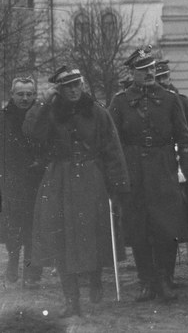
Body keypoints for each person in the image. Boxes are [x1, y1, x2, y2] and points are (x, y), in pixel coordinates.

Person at [25, 67, 130, 318]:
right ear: (58, 90)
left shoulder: (97, 112)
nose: (73, 90)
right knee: (60, 238)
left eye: (77, 85)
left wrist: (118, 185)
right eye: (67, 86)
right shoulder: (49, 112)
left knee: (91, 233)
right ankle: (71, 300)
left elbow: (112, 149)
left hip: (91, 178)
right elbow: (31, 135)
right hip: (58, 179)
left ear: (82, 85)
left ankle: (94, 280)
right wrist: (44, 101)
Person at [108, 46, 188, 303]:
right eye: (142, 69)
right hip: (133, 171)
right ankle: (146, 282)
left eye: (151, 68)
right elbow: (112, 143)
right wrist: (116, 175)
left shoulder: (170, 99)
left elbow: (184, 137)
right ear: (132, 72)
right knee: (138, 227)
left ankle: (165, 279)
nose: (149, 73)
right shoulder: (120, 102)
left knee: (167, 226)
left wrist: (186, 171)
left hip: (163, 168)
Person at [154, 59, 188, 290]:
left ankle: (168, 273)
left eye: (164, 77)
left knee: (175, 222)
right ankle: (154, 273)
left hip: (179, 171)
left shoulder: (183, 103)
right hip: (155, 167)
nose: (162, 83)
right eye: (157, 79)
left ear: (169, 78)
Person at [1, 76, 47, 288]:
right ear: (12, 95)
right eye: (20, 94)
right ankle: (12, 261)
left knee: (35, 227)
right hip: (12, 179)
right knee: (13, 226)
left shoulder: (42, 116)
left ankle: (31, 272)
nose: (25, 98)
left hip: (37, 179)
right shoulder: (3, 118)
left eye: (30, 94)